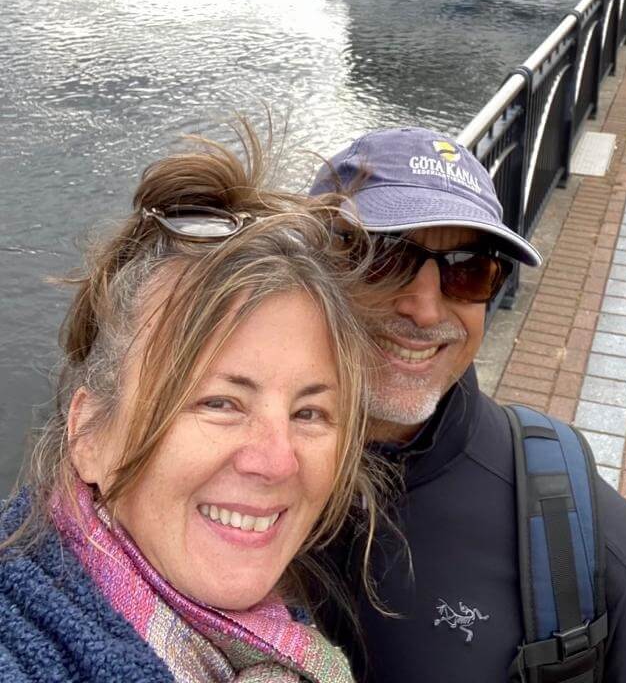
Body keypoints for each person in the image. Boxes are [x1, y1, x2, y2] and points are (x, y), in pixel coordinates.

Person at [309, 127, 626, 683]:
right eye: (383, 257)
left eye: (467, 270)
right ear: (304, 268)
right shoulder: (218, 477)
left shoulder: (578, 527)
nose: (423, 308)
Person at [0, 127, 382, 683]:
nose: (277, 460)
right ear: (88, 435)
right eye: (219, 402)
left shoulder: (270, 639)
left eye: (309, 413)